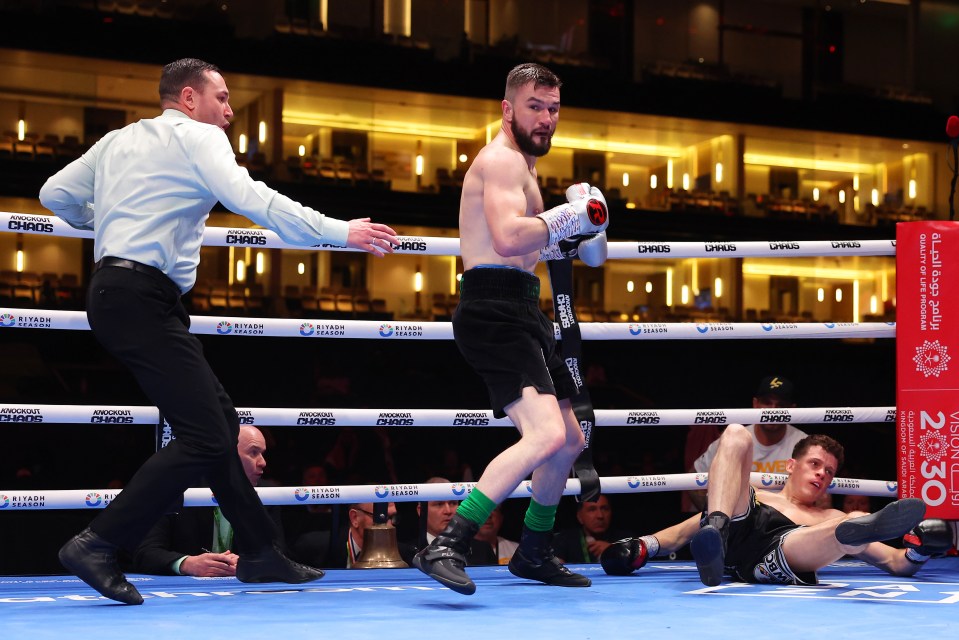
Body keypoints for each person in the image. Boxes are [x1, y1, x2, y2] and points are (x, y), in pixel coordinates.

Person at [40, 57, 399, 605]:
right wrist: (339, 232)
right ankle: (98, 542)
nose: (230, 112)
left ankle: (258, 550)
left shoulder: (117, 141)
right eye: (223, 99)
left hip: (120, 295)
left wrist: (111, 217)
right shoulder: (199, 139)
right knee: (206, 437)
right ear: (189, 98)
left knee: (220, 421)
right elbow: (256, 200)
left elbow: (53, 196)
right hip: (141, 299)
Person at [412, 62, 609, 595]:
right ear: (507, 109)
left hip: (524, 307)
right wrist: (570, 218)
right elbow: (504, 237)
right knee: (544, 433)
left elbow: (535, 243)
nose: (546, 119)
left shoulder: (523, 166)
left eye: (553, 109)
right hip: (493, 309)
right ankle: (449, 541)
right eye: (534, 107)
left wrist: (583, 229)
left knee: (568, 439)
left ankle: (534, 550)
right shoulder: (500, 161)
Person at [600, 427, 953, 586]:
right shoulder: (755, 493)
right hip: (737, 529)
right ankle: (718, 532)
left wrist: (917, 555)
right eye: (815, 464)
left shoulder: (831, 515)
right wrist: (645, 546)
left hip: (782, 555)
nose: (821, 474)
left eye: (829, 472)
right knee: (737, 434)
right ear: (791, 465)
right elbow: (684, 531)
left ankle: (861, 528)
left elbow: (894, 563)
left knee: (853, 522)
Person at [132, 426, 281, 577]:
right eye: (253, 453)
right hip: (185, 592)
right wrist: (186, 563)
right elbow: (145, 552)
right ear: (227, 456)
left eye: (262, 453)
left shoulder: (267, 494)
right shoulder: (176, 488)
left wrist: (249, 562)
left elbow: (280, 552)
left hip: (241, 591)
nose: (263, 462)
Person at [686, 375, 807, 512]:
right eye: (767, 402)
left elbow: (822, 498)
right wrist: (713, 513)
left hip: (783, 522)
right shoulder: (735, 438)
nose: (773, 410)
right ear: (755, 404)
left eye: (781, 405)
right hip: (738, 519)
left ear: (792, 409)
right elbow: (693, 479)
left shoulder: (804, 444)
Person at [410, 477, 497, 567]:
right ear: (421, 511)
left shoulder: (482, 549)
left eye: (453, 503)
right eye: (439, 504)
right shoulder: (407, 553)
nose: (448, 511)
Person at [328, 501, 412, 568]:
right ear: (355, 518)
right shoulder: (324, 550)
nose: (390, 525)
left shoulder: (406, 556)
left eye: (393, 517)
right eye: (381, 518)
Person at [551, 494, 631, 564]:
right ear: (579, 516)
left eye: (604, 509)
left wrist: (614, 551)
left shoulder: (626, 539)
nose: (600, 516)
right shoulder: (564, 540)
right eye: (592, 510)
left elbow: (636, 562)